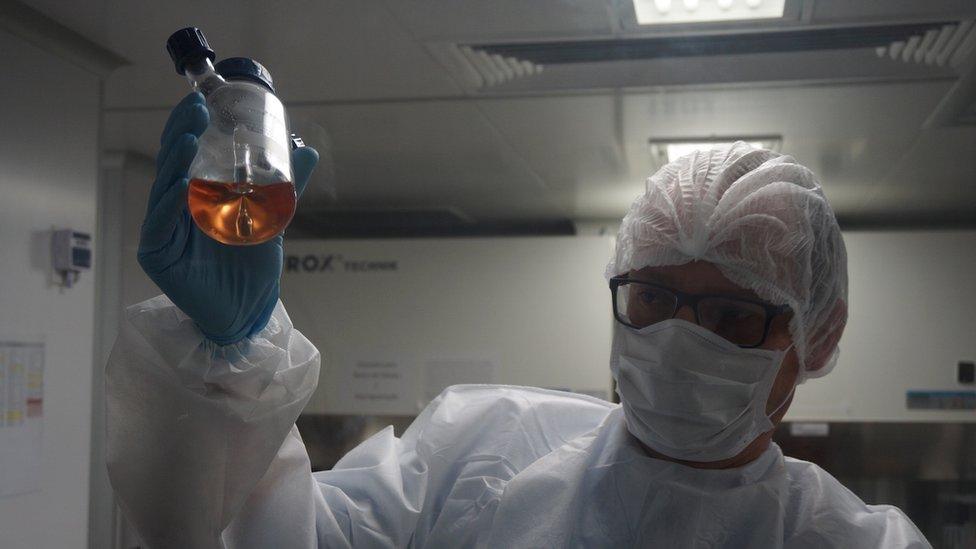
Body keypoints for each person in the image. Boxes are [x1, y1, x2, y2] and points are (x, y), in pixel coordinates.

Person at [106, 92, 930, 548]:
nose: (679, 334)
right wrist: (235, 353)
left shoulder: (856, 544)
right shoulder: (478, 452)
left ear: (812, 338)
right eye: (653, 296)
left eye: (728, 313)